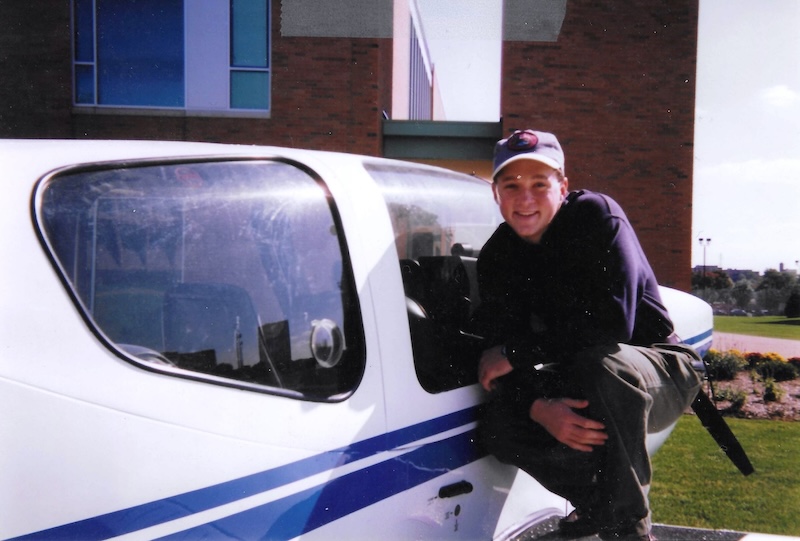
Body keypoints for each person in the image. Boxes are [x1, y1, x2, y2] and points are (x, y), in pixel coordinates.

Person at [471, 129, 702, 541]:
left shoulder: (596, 216)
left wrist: (517, 351)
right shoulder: (497, 256)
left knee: (602, 364)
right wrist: (539, 407)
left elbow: (614, 325)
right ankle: (599, 506)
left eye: (539, 185)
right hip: (585, 376)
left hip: (657, 368)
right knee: (497, 424)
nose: (525, 199)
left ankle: (628, 531)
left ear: (562, 187)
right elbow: (498, 356)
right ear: (496, 194)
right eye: (512, 185)